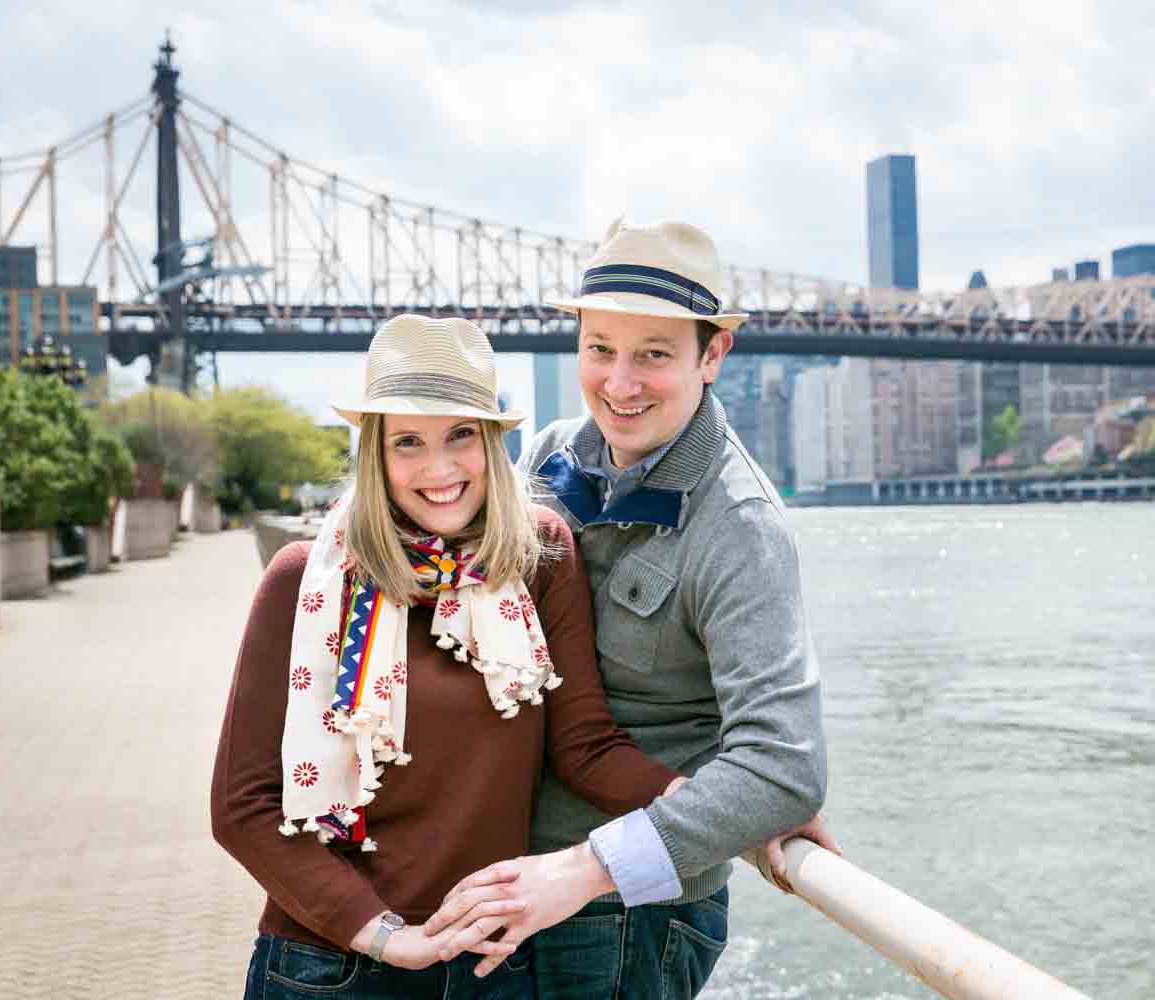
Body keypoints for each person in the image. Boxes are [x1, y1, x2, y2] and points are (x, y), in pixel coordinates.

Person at [210, 314, 689, 998]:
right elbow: (243, 806)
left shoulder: (540, 556)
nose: (438, 469)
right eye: (408, 442)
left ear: (492, 443)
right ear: (375, 455)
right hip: (329, 966)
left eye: (460, 435)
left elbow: (585, 748)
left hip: (492, 966)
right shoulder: (303, 582)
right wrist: (386, 936)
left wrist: (730, 808)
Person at [424, 219, 835, 998]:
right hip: (496, 886)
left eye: (654, 354)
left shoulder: (739, 528)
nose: (619, 383)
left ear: (712, 355)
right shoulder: (546, 456)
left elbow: (784, 764)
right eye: (601, 349)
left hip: (617, 919)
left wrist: (587, 870)